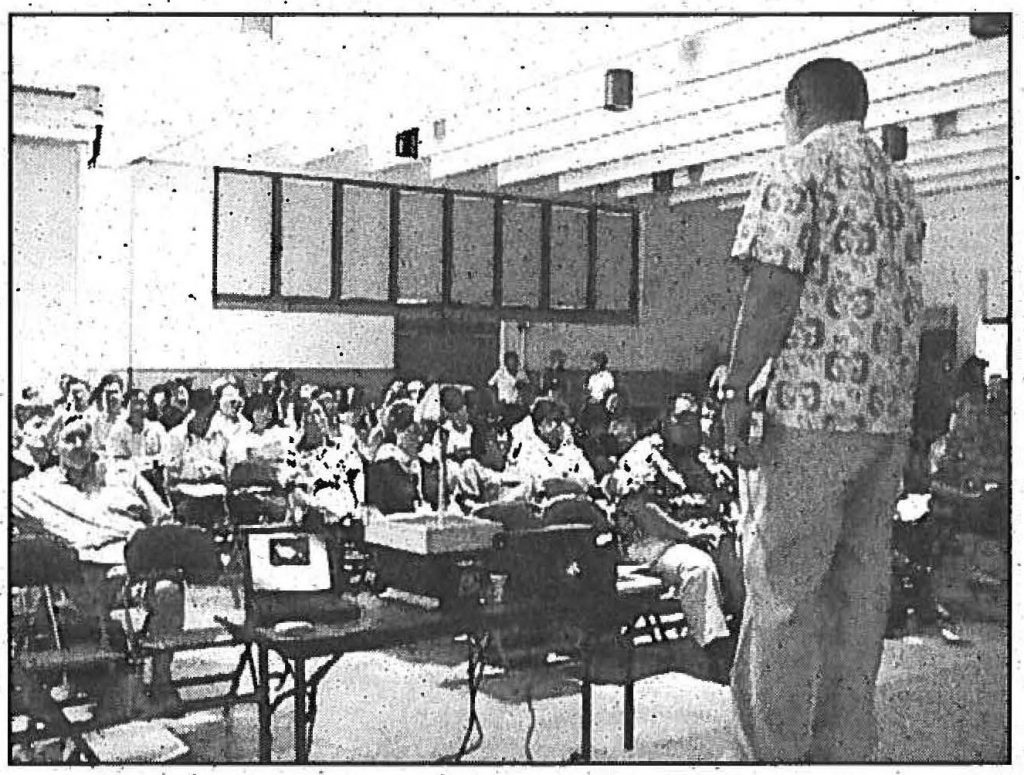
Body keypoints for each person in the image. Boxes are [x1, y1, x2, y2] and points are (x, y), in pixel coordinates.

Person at [722, 58, 924, 762]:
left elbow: (773, 286)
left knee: (782, 595)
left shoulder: (796, 167)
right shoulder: (900, 185)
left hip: (812, 417)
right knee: (858, 599)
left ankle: (774, 756)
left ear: (798, 106)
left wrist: (736, 386)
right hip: (885, 422)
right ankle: (845, 753)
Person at [607, 399, 741, 676]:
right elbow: (641, 509)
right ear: (666, 420)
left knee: (744, 556)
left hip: (703, 533)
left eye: (695, 419)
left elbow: (725, 494)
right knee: (698, 567)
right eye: (684, 418)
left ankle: (743, 633)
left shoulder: (702, 457)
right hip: (652, 541)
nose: (692, 426)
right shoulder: (644, 454)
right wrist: (687, 534)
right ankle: (715, 648)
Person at [488, 351, 530, 428]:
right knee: (509, 416)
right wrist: (495, 399)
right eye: (510, 361)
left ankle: (503, 425)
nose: (512, 363)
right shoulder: (500, 373)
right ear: (505, 362)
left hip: (516, 404)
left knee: (524, 413)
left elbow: (527, 387)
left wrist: (522, 388)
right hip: (503, 403)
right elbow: (490, 385)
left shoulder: (521, 373)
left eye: (514, 361)